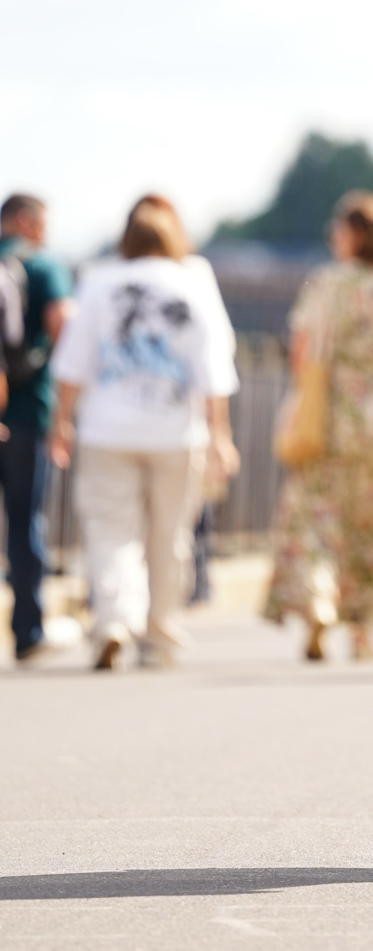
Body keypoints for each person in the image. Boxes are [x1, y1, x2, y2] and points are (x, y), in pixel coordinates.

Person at [47, 195, 239, 669]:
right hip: (175, 431)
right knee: (170, 534)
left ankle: (114, 618)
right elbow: (213, 363)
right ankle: (159, 627)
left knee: (110, 529)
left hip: (106, 428)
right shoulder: (194, 279)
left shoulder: (98, 280)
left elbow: (74, 361)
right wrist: (220, 433)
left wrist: (62, 421)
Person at [265, 192, 373, 660]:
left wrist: (302, 401)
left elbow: (303, 352)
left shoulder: (327, 283)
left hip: (333, 411)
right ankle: (363, 629)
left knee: (317, 512)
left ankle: (318, 600)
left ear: (355, 234)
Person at [0, 194, 73, 662]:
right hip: (26, 413)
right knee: (26, 522)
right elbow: (62, 323)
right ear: (26, 222)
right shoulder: (43, 266)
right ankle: (28, 630)